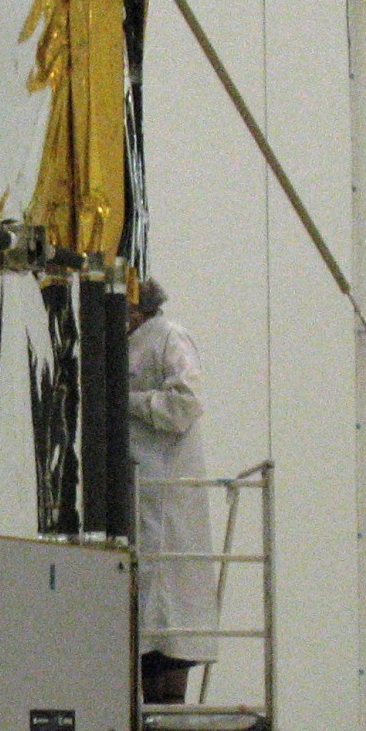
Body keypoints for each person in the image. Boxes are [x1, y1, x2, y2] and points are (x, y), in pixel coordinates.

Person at [127, 277, 219, 705]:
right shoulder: (129, 342)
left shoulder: (168, 339)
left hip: (164, 494)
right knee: (147, 620)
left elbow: (184, 404)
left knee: (168, 621)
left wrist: (129, 400)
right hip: (139, 492)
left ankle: (167, 702)